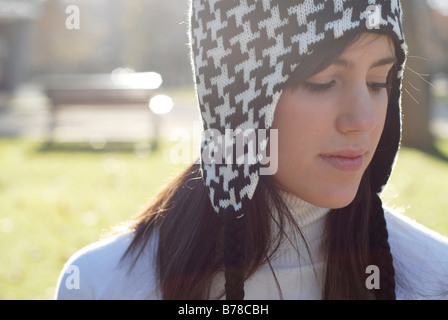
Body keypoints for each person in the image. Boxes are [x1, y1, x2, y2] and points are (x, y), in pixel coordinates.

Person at [55, 0, 448, 300]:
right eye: (323, 81)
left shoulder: (436, 276)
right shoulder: (100, 284)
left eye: (378, 82)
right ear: (237, 98)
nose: (362, 119)